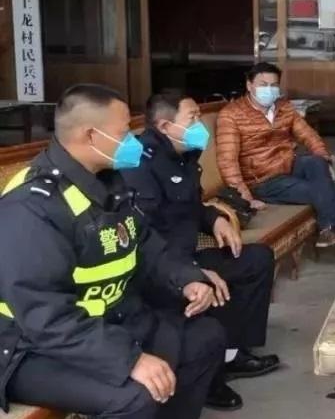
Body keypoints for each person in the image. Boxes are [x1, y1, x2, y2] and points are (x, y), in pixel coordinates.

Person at [0, 84, 224, 419]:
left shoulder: (110, 181)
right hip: (32, 347)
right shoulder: (32, 206)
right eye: (124, 133)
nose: (132, 140)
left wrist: (186, 278)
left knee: (205, 339)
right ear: (91, 135)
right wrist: (128, 359)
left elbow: (144, 242)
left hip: (108, 320)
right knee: (136, 397)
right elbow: (45, 315)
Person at [122, 93, 280, 411]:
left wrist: (215, 219)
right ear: (165, 126)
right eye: (192, 118)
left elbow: (191, 204)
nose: (200, 125)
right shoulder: (139, 163)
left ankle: (232, 354)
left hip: (188, 252)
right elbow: (144, 236)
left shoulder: (184, 154)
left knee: (256, 259)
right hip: (162, 268)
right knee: (208, 287)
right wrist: (191, 272)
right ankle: (209, 378)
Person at [216, 62, 335, 249]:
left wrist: (324, 159)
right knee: (322, 189)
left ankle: (329, 229)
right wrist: (246, 199)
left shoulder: (284, 108)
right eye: (263, 85)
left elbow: (308, 135)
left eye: (273, 85)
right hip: (262, 180)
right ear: (249, 85)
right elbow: (228, 161)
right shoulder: (231, 115)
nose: (268, 90)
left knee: (317, 162)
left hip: (288, 165)